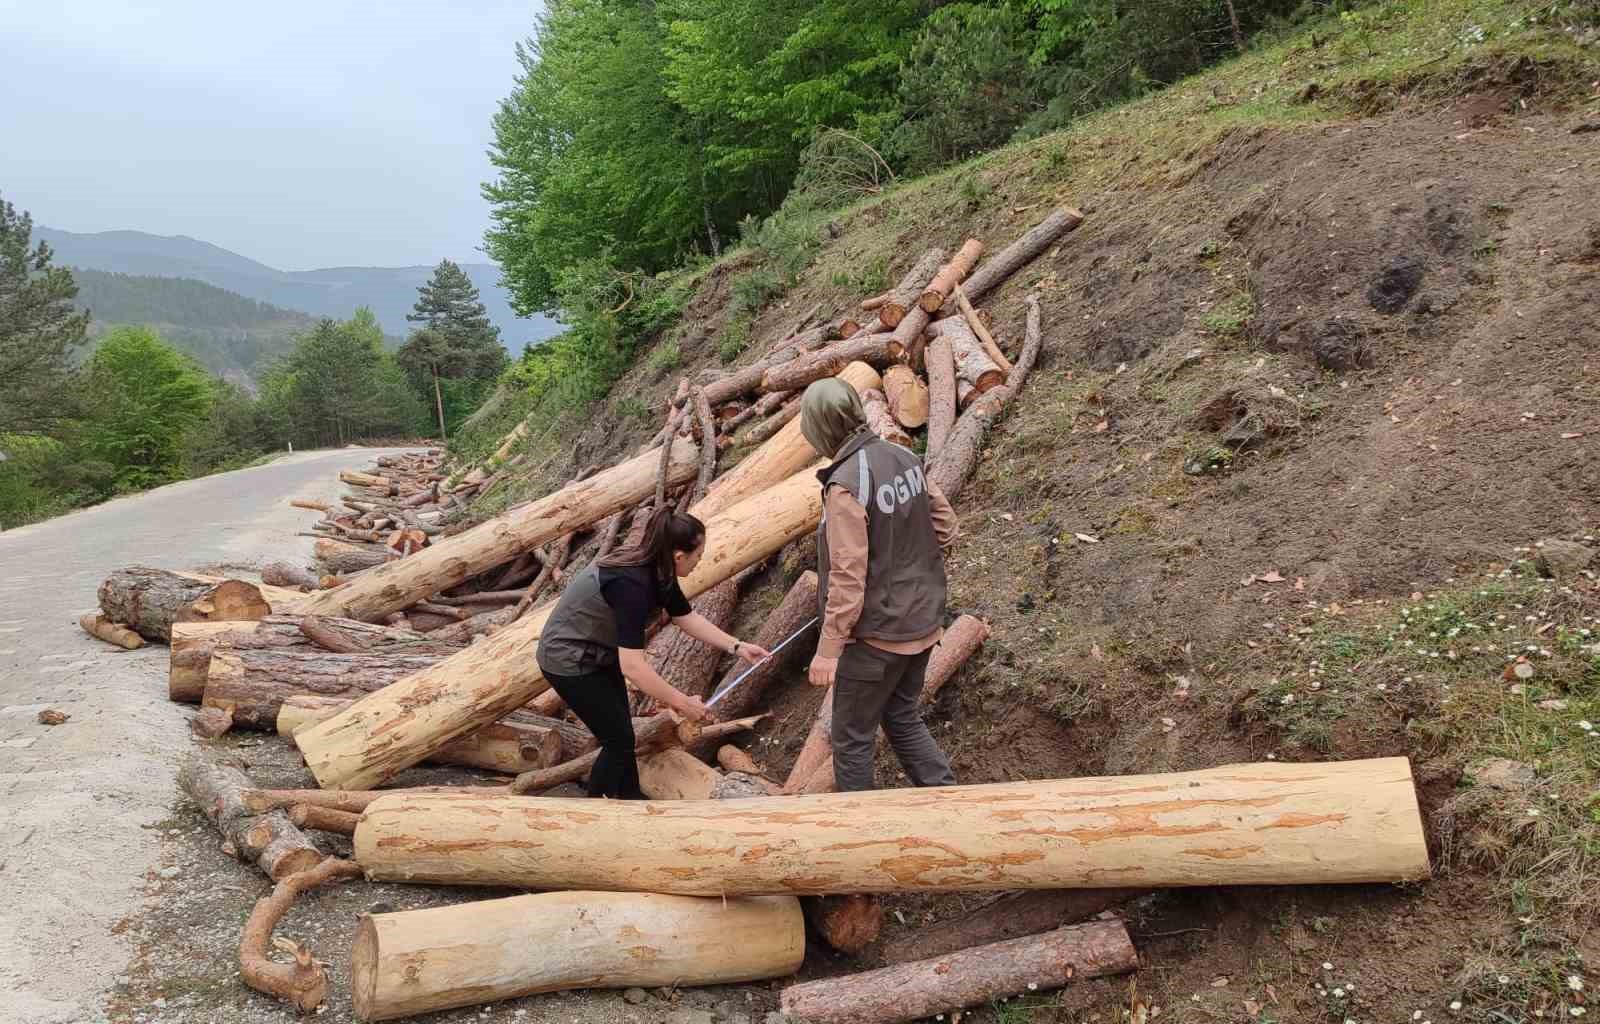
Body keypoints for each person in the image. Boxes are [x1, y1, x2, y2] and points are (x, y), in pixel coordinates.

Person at [536, 507, 770, 798]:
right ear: (679, 556)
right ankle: (595, 811)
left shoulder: (659, 570)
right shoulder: (632, 585)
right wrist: (682, 703)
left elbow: (686, 617)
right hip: (568, 659)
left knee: (621, 736)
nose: (701, 560)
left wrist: (738, 646)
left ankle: (629, 801)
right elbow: (632, 666)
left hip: (597, 651)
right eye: (699, 554)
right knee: (618, 740)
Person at [800, 376, 959, 792]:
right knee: (902, 715)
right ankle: (950, 800)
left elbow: (848, 576)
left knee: (850, 739)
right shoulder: (902, 455)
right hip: (924, 621)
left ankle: (864, 833)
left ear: (818, 428)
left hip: (876, 638)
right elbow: (945, 527)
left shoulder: (845, 486)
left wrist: (828, 650)